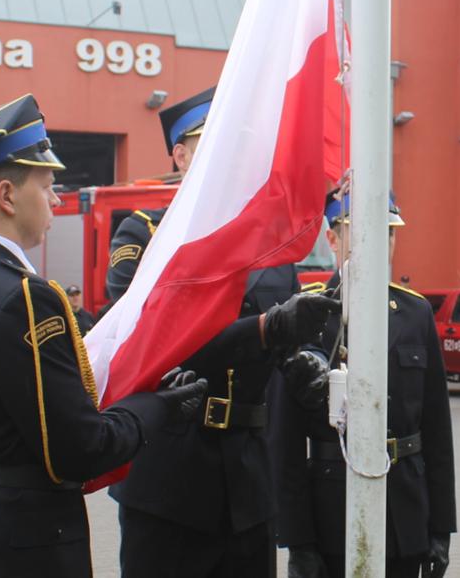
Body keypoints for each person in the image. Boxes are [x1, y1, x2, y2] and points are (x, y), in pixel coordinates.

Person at [0, 94, 238, 577]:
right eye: (46, 187)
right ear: (6, 195)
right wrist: (158, 406)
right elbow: (82, 449)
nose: (56, 199)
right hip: (22, 536)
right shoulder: (24, 296)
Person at [104, 87, 327, 578]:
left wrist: (308, 357)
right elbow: (151, 342)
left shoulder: (270, 242)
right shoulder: (145, 238)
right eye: (209, 144)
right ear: (180, 156)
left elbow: (285, 336)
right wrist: (267, 331)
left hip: (249, 476)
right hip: (170, 476)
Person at [273, 192, 456, 578]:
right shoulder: (306, 314)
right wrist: (298, 542)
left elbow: (437, 431)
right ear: (333, 240)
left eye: (388, 234)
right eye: (363, 234)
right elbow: (284, 441)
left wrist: (441, 528)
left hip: (404, 512)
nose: (379, 244)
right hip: (332, 512)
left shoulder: (415, 313)